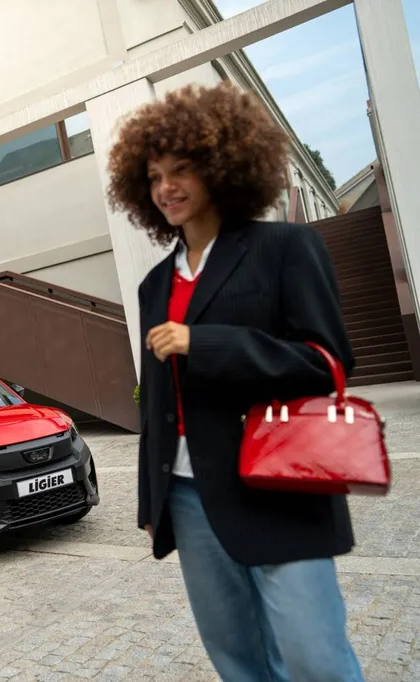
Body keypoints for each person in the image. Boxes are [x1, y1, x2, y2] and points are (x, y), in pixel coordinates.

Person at [105, 82, 364, 681]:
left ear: (222, 165)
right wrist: (152, 497)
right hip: (190, 498)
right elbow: (156, 402)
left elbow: (327, 364)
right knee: (237, 660)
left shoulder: (286, 248)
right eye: (153, 176)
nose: (166, 187)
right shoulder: (153, 287)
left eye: (182, 169)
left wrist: (208, 343)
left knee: (314, 659)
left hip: (281, 483)